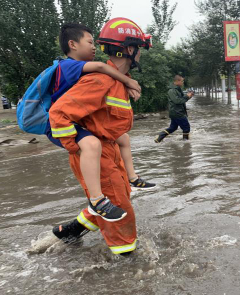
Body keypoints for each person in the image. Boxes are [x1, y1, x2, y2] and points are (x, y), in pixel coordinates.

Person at [49, 17, 151, 254]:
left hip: (109, 149)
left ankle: (71, 231)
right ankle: (127, 261)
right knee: (119, 207)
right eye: (140, 50)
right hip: (95, 152)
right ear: (129, 49)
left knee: (120, 196)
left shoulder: (116, 82)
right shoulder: (100, 79)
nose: (140, 56)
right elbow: (59, 113)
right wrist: (78, 147)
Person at [155, 75, 194, 143]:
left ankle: (160, 137)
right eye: (182, 81)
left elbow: (181, 99)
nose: (183, 82)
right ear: (177, 81)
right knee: (186, 127)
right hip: (177, 113)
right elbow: (177, 101)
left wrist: (188, 96)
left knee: (173, 128)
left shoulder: (177, 89)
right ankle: (186, 143)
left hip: (176, 112)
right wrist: (187, 97)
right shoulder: (172, 91)